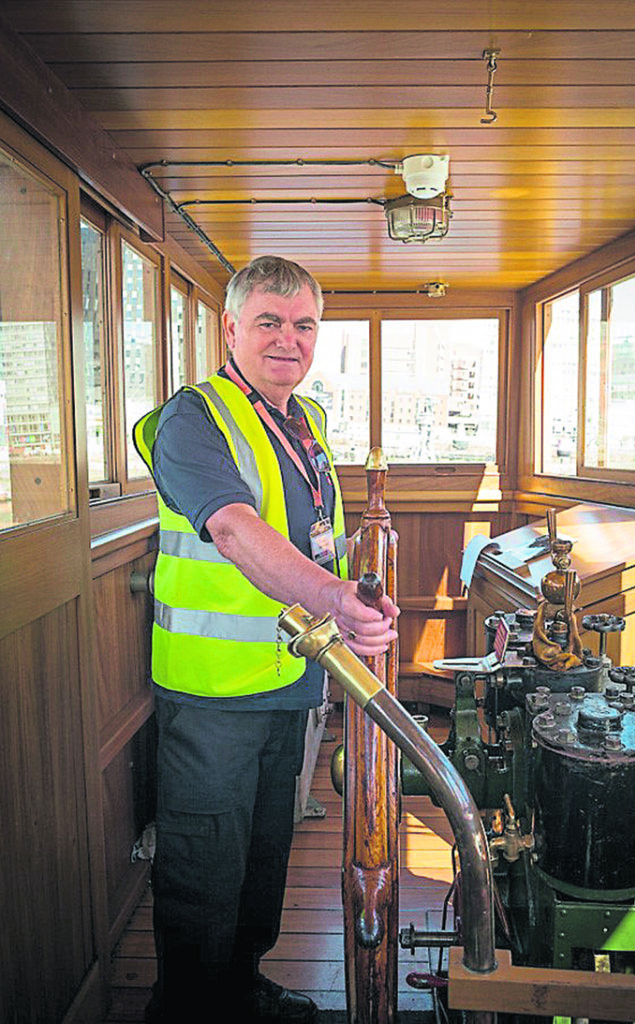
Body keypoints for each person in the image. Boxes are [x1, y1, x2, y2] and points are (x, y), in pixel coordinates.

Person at [133, 255, 398, 1022]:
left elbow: (314, 540)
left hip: (293, 676)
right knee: (202, 862)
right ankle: (186, 1008)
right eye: (270, 322)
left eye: (304, 324)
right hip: (213, 694)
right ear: (231, 328)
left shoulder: (304, 419)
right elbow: (232, 525)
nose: (289, 338)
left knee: (261, 856)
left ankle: (239, 988)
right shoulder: (191, 418)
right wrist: (332, 599)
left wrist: (358, 588)